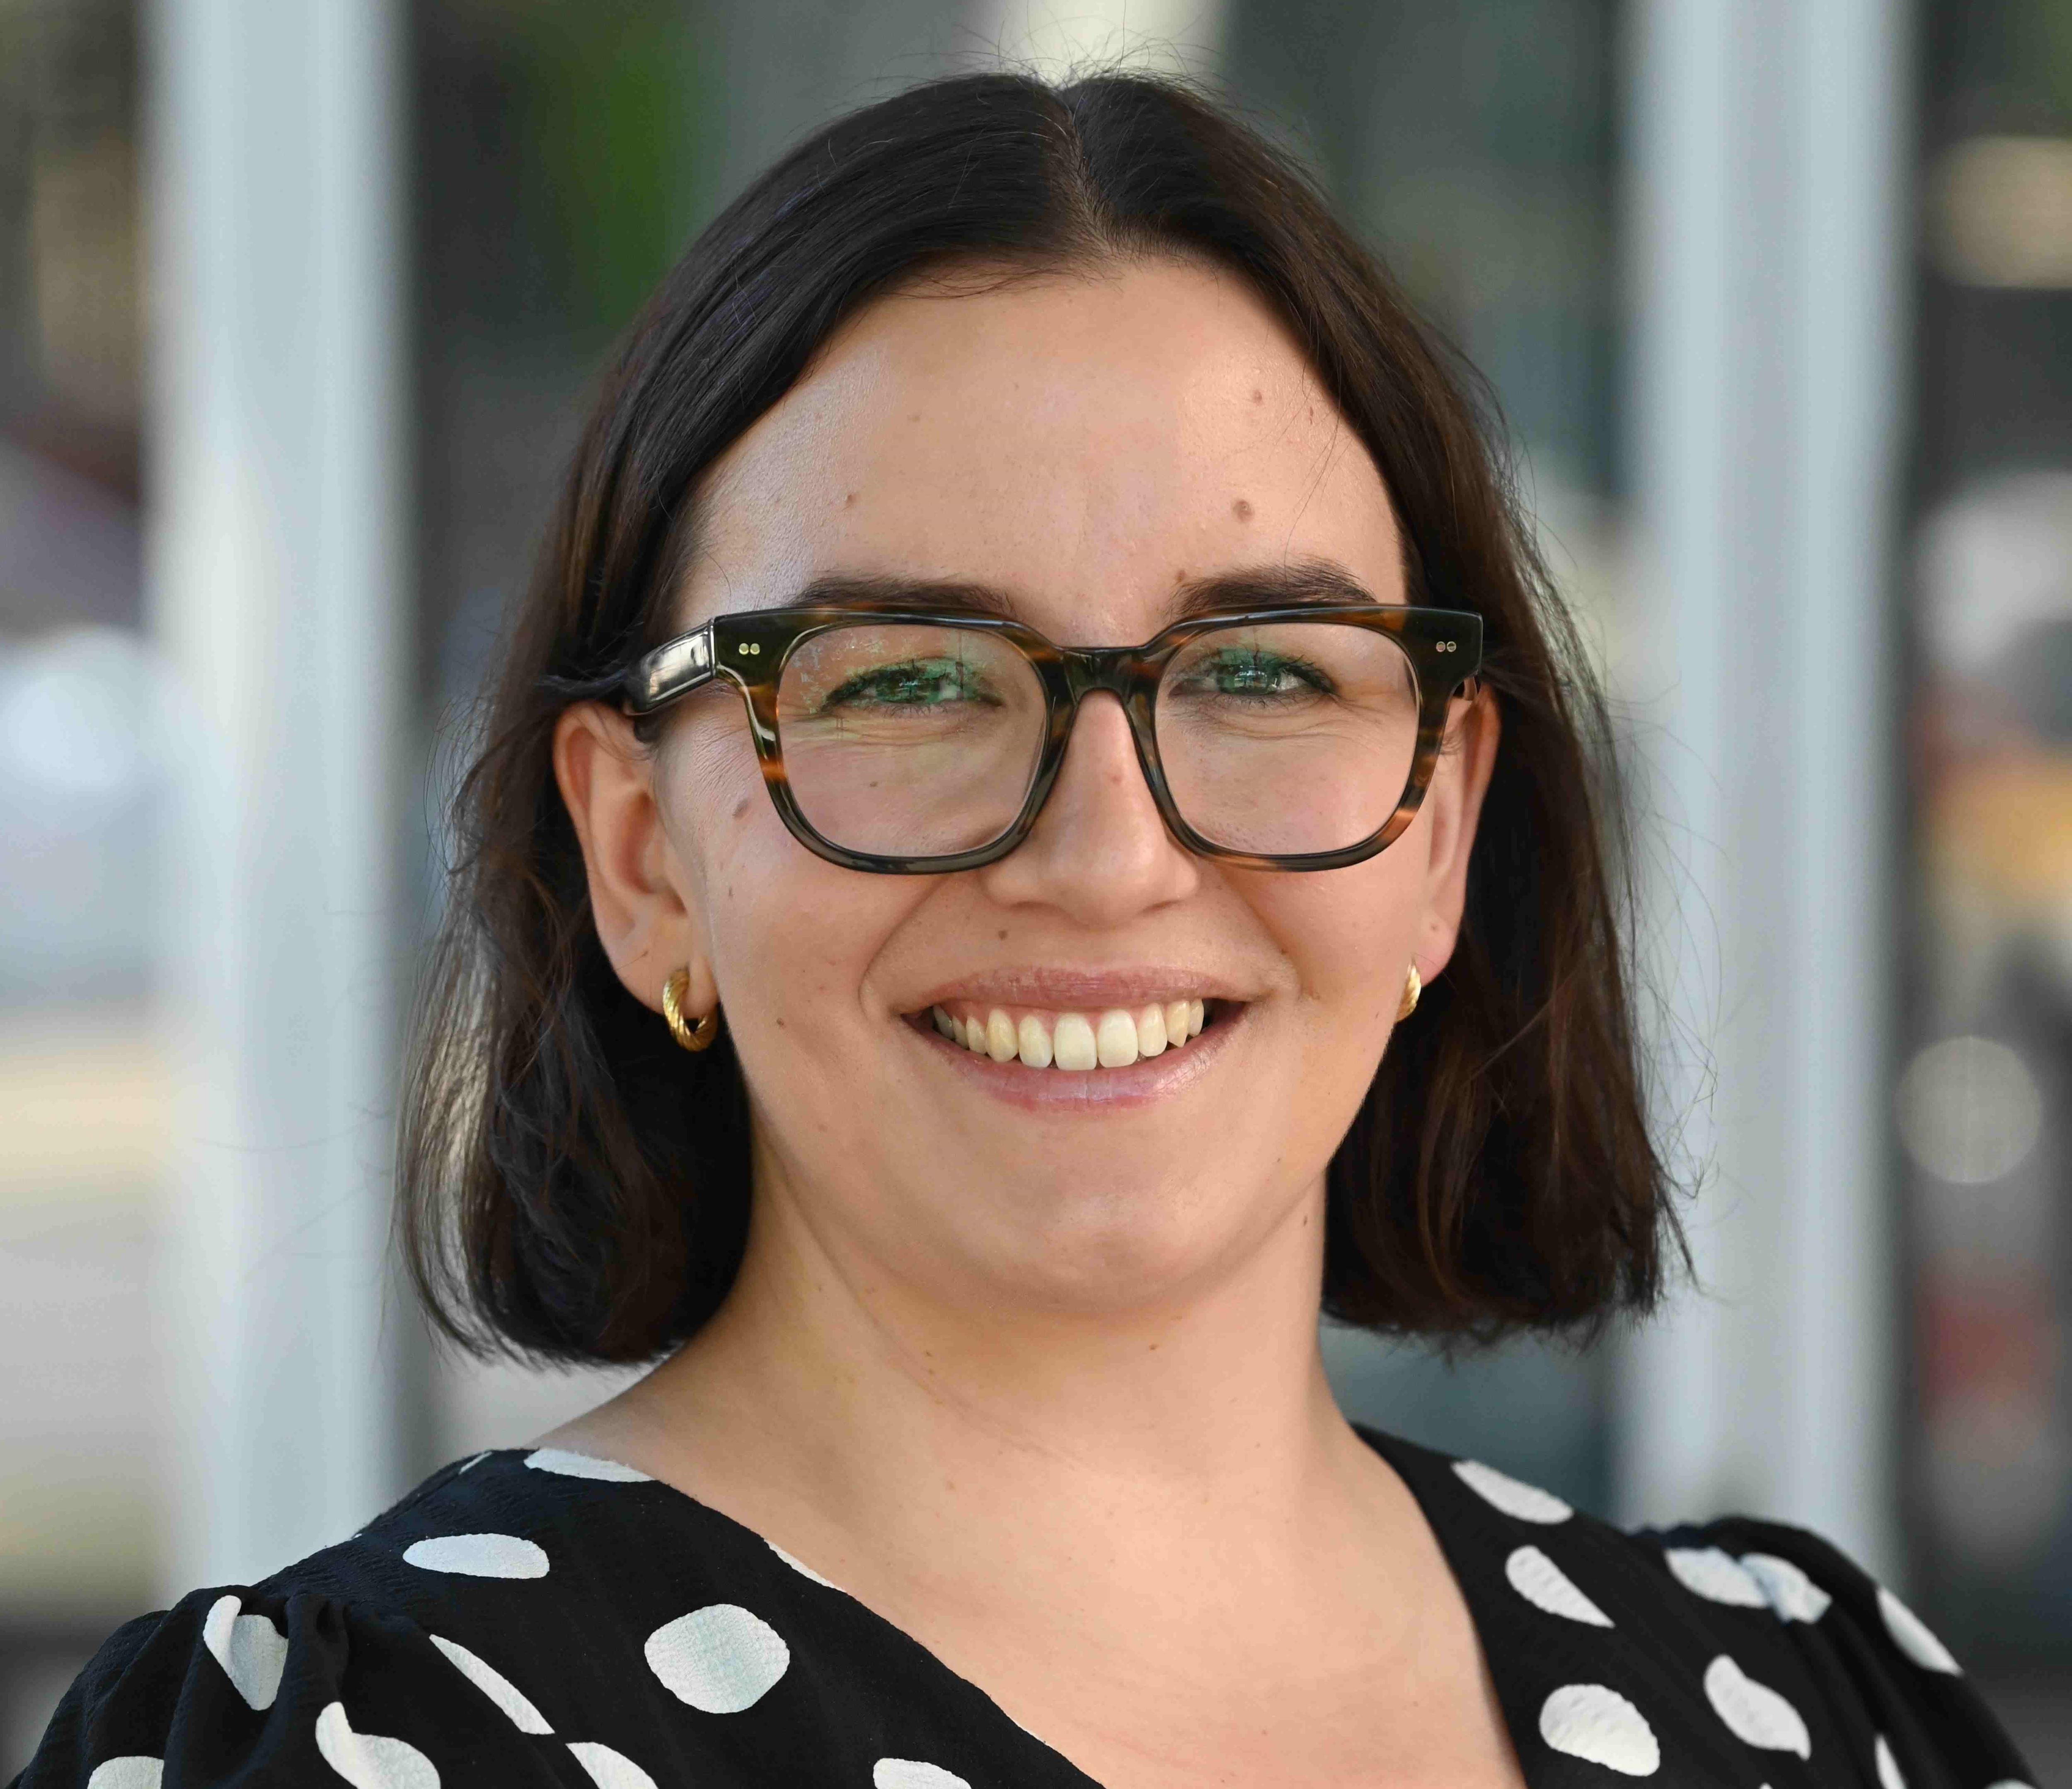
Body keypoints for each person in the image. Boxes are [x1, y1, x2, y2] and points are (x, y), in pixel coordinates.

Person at [17, 70, 2034, 1789]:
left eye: (1261, 676)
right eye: (904, 679)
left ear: (1442, 825)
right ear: (640, 856)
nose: (1103, 852)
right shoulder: (363, 1750)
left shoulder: (1801, 1716)